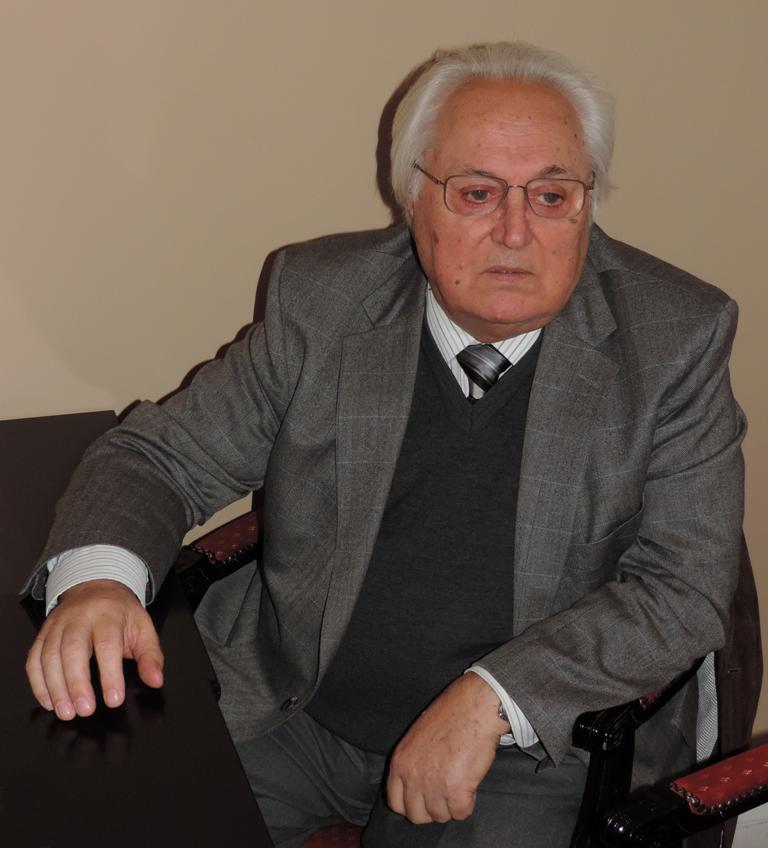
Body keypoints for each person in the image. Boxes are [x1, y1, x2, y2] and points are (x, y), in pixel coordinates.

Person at [23, 41, 746, 847]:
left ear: (589, 203)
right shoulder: (324, 303)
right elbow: (160, 457)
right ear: (413, 198)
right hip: (293, 705)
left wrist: (493, 697)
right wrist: (98, 584)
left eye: (551, 195)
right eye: (477, 192)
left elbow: (683, 587)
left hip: (530, 747)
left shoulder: (674, 339)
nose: (515, 232)